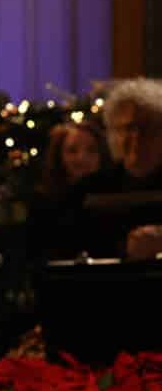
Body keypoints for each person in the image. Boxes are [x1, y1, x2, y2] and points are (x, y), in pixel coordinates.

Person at [69, 78, 162, 259]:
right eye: (128, 128)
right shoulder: (88, 191)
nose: (137, 138)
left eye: (148, 128)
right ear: (112, 133)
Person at [27, 120, 109, 261]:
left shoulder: (111, 196)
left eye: (91, 150)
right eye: (72, 151)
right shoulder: (44, 202)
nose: (82, 158)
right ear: (60, 156)